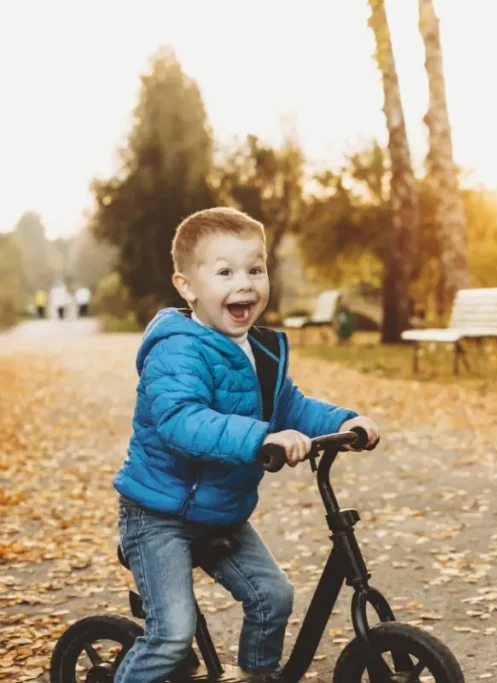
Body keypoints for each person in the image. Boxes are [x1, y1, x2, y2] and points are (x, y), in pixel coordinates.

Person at [112, 207, 381, 681]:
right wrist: (262, 436)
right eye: (225, 272)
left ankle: (258, 675)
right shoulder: (176, 349)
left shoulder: (260, 349)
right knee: (172, 635)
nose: (245, 284)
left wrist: (345, 421)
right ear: (187, 287)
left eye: (255, 269)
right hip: (158, 516)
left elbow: (290, 405)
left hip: (220, 511)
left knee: (272, 597)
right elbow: (182, 420)